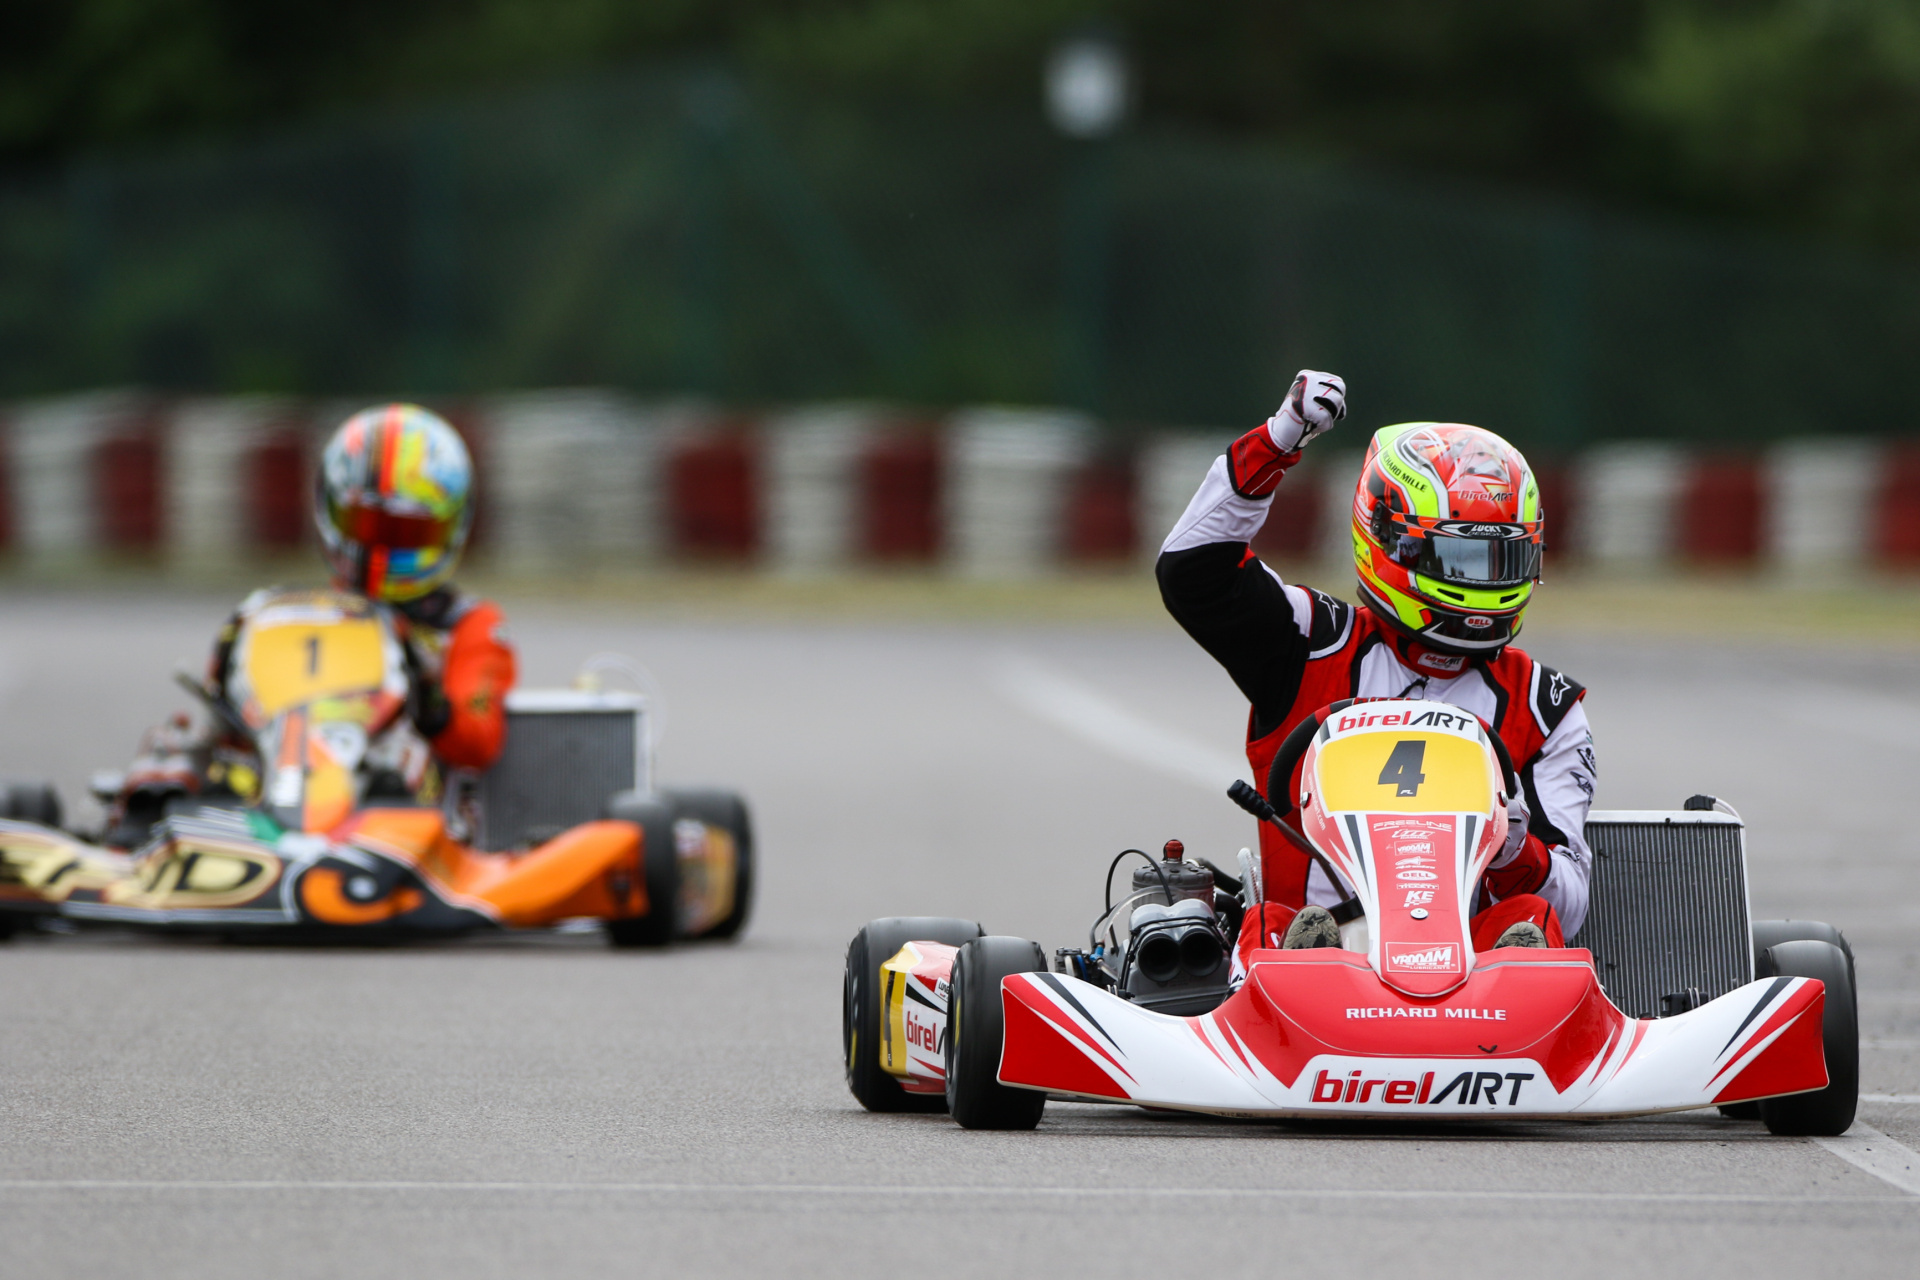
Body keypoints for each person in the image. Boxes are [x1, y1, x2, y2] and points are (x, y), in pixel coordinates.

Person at [1155, 372, 1596, 970]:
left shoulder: (1547, 708)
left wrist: (1513, 843)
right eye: (1462, 556)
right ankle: (1325, 961)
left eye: (1505, 557)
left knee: (1530, 926)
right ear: (1392, 541)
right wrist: (1279, 441)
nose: (1485, 580)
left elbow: (1570, 906)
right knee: (1274, 929)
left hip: (1475, 982)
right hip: (1301, 975)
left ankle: (1499, 990)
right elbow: (1193, 573)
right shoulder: (1312, 640)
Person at [211, 403, 516, 775]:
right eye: (370, 526)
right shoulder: (298, 615)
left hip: (411, 808)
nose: (386, 548)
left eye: (408, 533)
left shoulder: (469, 627)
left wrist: (429, 698)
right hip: (304, 782)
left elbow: (479, 743)